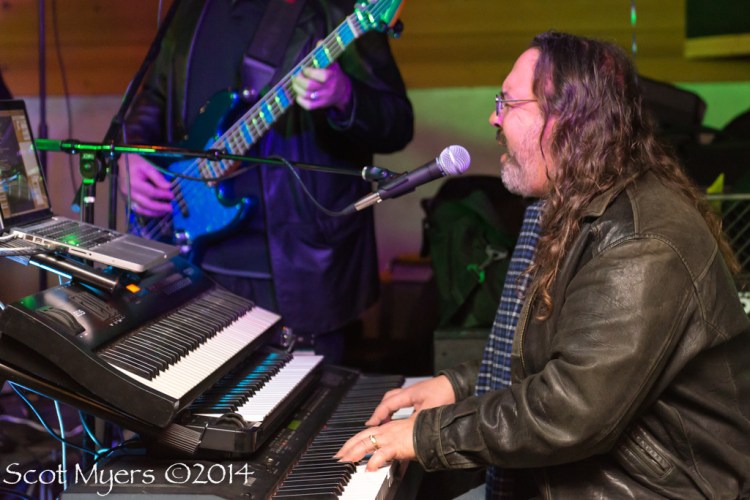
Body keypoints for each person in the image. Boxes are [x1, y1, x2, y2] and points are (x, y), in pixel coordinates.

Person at [336, 31, 750, 498]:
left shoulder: (643, 241)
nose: (493, 117)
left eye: (507, 103)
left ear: (569, 119)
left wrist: (426, 435)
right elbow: (563, 353)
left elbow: (571, 409)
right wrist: (459, 385)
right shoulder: (576, 208)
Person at [119, 0, 413, 364]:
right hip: (191, 260)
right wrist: (130, 154)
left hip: (299, 268)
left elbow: (397, 123)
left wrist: (345, 97)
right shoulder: (191, 8)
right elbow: (155, 96)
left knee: (303, 397)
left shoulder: (335, 9)